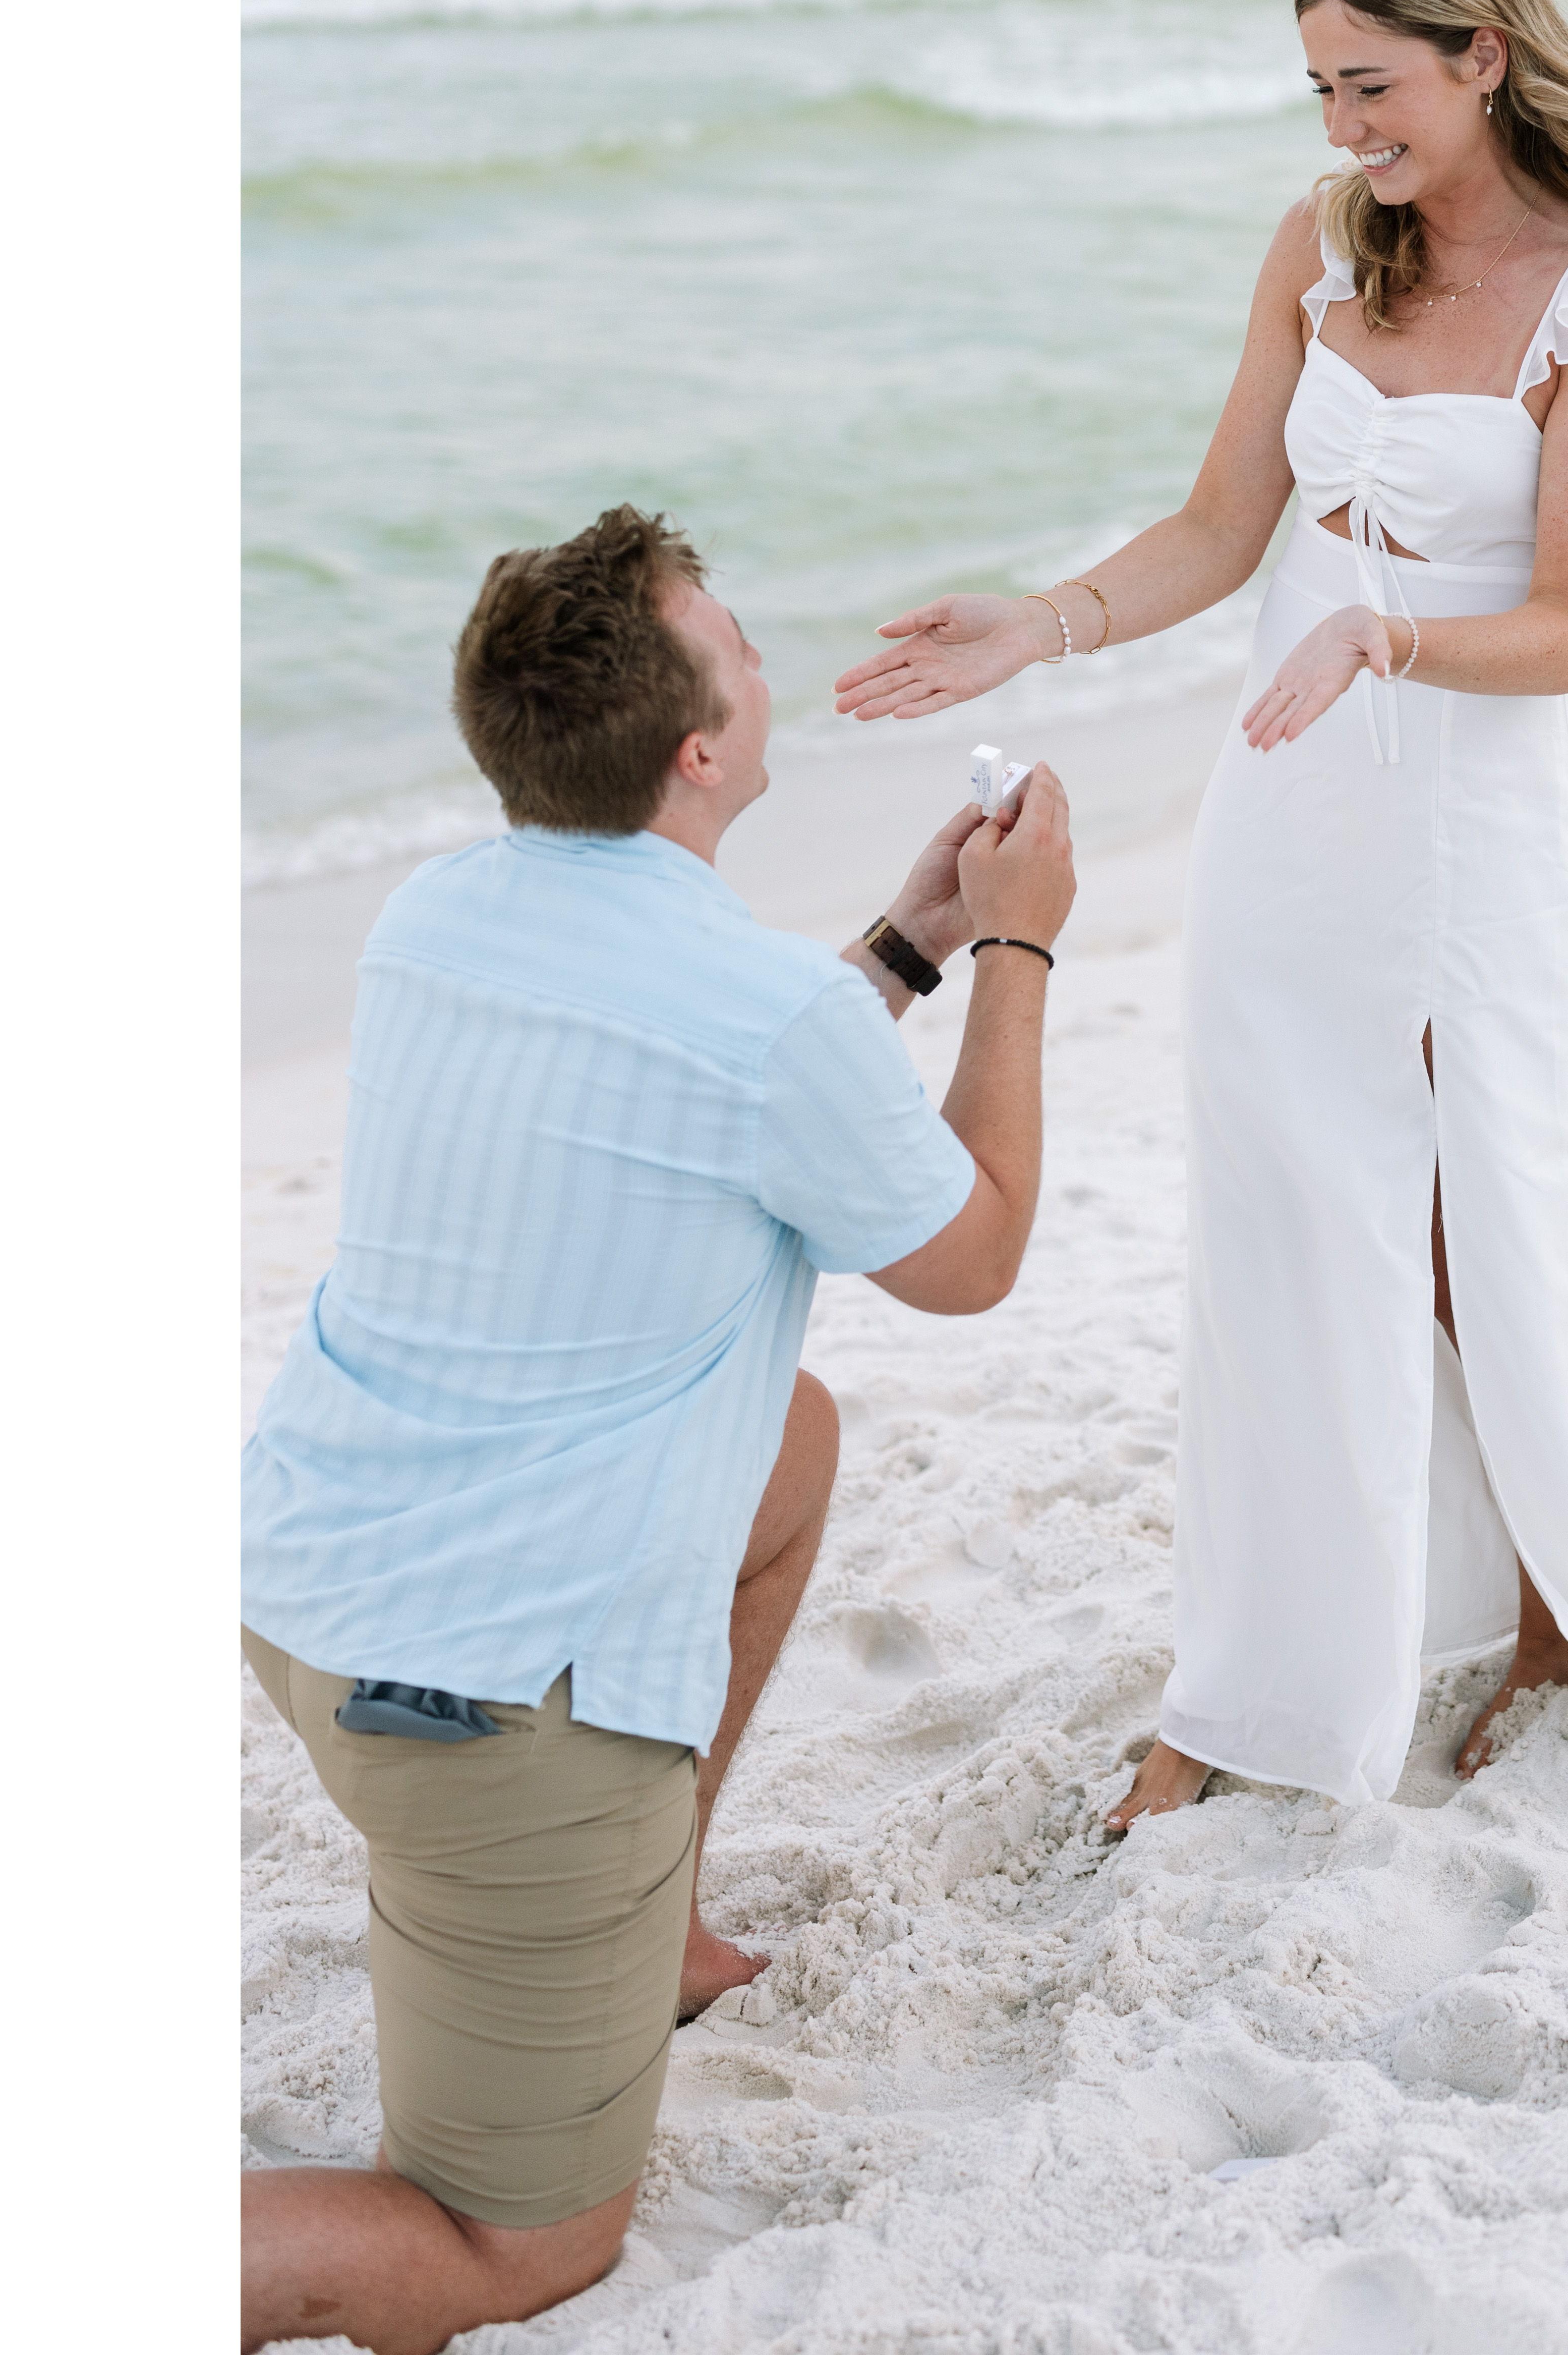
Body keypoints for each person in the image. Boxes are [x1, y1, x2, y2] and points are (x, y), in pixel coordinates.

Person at [833, 0, 1568, 1838]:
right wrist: (1048, 621)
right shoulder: (1318, 242)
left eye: (1374, 85)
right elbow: (1220, 525)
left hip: (1475, 806)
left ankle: (1556, 1614)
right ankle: (1264, 1672)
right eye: (1319, 86)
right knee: (1286, 1214)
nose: (1344, 123)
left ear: (1486, 58)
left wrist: (1387, 636)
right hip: (1295, 804)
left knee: (1482, 1213)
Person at [240, 505, 1075, 2355]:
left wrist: (910, 947)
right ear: (700, 749)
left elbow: (703, 1094)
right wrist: (1020, 953)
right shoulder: (763, 1017)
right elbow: (977, 1253)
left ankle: (658, 1914)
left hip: (310, 1591)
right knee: (510, 2247)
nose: (769, 663)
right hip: (480, 1711)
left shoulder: (436, 913)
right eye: (745, 644)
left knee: (791, 1441)